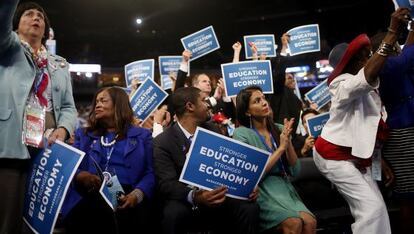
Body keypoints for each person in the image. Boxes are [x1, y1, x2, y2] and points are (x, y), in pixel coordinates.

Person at [312, 8, 410, 234]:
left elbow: (367, 130)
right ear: (352, 63)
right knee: (372, 209)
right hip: (332, 156)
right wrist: (392, 32)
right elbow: (363, 79)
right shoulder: (340, 85)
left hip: (356, 158)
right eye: (365, 56)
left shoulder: (372, 88)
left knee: (378, 209)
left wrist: (379, 162)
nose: (370, 58)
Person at [0, 1, 77, 232]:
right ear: (15, 25)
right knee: (8, 217)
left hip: (49, 145)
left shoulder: (60, 64)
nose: (36, 18)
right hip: (12, 142)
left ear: (46, 29)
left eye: (40, 17)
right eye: (29, 14)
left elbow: (69, 107)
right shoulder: (7, 47)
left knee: (40, 218)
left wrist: (63, 130)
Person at [153, 87, 260, 234]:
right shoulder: (163, 141)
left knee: (249, 207)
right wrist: (196, 197)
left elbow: (230, 164)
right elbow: (167, 184)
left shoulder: (213, 129)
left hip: (219, 193)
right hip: (187, 199)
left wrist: (245, 185)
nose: (208, 105)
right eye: (203, 101)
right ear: (190, 106)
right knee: (172, 214)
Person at [62, 87, 155, 234]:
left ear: (119, 104)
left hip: (128, 193)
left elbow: (150, 173)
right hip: (91, 191)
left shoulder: (143, 135)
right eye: (96, 101)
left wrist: (136, 195)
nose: (97, 105)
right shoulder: (83, 135)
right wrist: (81, 175)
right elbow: (71, 167)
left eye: (103, 101)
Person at [233, 86, 316, 234]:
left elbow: (295, 171)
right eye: (257, 101)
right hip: (262, 190)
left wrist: (287, 141)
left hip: (283, 187)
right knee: (293, 223)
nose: (264, 102)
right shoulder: (241, 133)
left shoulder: (278, 128)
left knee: (310, 222)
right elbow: (252, 174)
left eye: (264, 98)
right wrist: (281, 148)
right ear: (247, 111)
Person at [371, 20, 414, 234]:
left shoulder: (392, 63)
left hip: (404, 133)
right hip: (402, 136)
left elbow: (407, 51)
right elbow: (409, 54)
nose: (398, 49)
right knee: (409, 199)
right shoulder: (387, 67)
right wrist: (412, 27)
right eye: (395, 46)